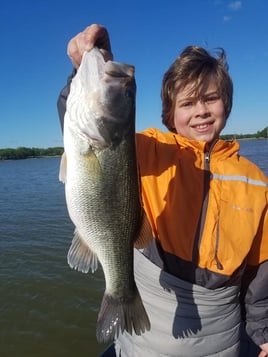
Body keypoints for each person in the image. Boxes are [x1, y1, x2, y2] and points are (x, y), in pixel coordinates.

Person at [57, 24, 268, 357]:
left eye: (211, 99)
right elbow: (94, 122)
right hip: (148, 332)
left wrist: (262, 333)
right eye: (187, 103)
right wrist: (83, 72)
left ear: (226, 104)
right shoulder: (149, 149)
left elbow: (260, 272)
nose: (200, 110)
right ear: (169, 113)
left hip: (221, 336)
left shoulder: (256, 181)